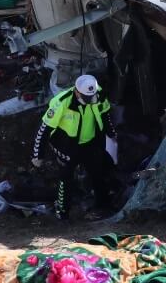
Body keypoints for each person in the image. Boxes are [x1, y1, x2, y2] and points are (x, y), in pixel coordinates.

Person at [32, 75, 118, 220]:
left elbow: (105, 114)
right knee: (65, 178)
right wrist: (37, 155)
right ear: (77, 92)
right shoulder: (61, 102)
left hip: (90, 142)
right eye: (86, 97)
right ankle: (62, 212)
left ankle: (103, 207)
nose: (90, 100)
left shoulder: (98, 94)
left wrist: (111, 133)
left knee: (98, 173)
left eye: (92, 96)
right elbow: (44, 129)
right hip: (66, 146)